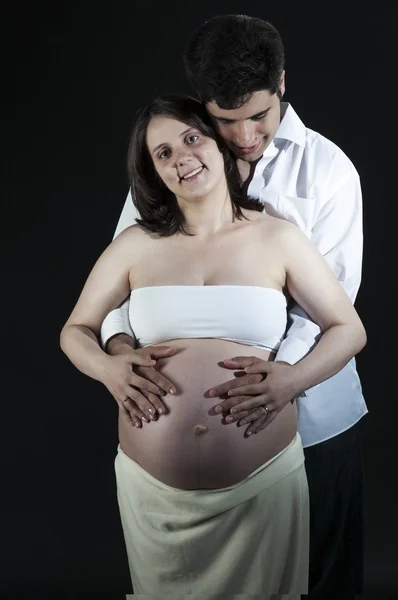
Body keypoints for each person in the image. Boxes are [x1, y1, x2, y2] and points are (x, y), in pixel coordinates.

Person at [100, 15, 368, 600]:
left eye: (260, 117)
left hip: (315, 417)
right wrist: (122, 350)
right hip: (174, 472)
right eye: (225, 122)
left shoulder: (327, 171)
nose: (245, 137)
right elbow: (126, 273)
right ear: (204, 106)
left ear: (282, 87)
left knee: (322, 577)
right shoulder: (177, 162)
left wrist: (280, 377)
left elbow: (334, 306)